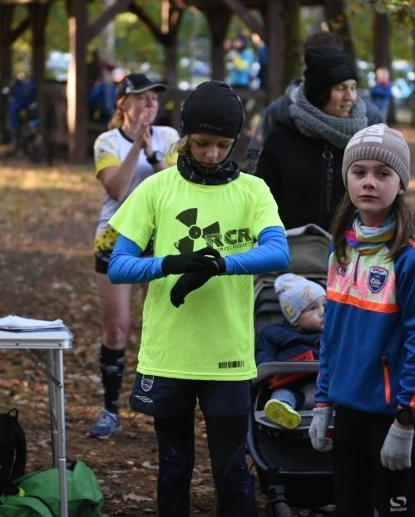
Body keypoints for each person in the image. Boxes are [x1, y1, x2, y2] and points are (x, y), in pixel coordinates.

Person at [106, 80, 290, 515]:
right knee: (174, 468)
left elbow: (278, 251)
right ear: (185, 137)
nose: (211, 154)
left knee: (232, 472)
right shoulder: (157, 188)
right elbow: (118, 265)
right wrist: (168, 264)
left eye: (223, 145)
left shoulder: (252, 190)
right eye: (202, 143)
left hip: (228, 357)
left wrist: (221, 264)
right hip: (170, 355)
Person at [309, 123, 415, 516]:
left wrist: (405, 419)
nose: (370, 182)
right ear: (347, 178)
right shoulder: (341, 252)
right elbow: (332, 333)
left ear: (401, 184)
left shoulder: (412, 257)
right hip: (346, 410)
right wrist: (323, 400)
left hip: (391, 415)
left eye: (383, 174)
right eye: (359, 172)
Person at [88, 73, 179, 440]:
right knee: (118, 327)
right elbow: (117, 187)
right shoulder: (106, 141)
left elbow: (173, 185)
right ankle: (110, 409)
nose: (149, 105)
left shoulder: (170, 138)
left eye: (154, 99)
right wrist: (136, 146)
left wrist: (152, 150)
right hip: (116, 237)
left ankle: (160, 406)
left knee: (159, 327)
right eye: (141, 98)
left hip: (160, 239)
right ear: (123, 103)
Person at [255, 46, 378, 230]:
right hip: (293, 250)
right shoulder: (282, 137)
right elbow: (261, 201)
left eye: (353, 88)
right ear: (320, 93)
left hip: (352, 250)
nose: (350, 97)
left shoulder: (363, 138)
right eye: (341, 88)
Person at [245, 30, 384, 174]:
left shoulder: (370, 117)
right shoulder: (281, 111)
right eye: (310, 63)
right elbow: (257, 155)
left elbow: (384, 168)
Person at [256, 273, 325, 430]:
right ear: (294, 316)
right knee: (281, 396)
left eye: (325, 305)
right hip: (288, 383)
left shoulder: (331, 334)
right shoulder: (274, 334)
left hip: (322, 387)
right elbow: (263, 355)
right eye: (313, 308)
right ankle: (282, 410)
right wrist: (272, 368)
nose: (322, 312)